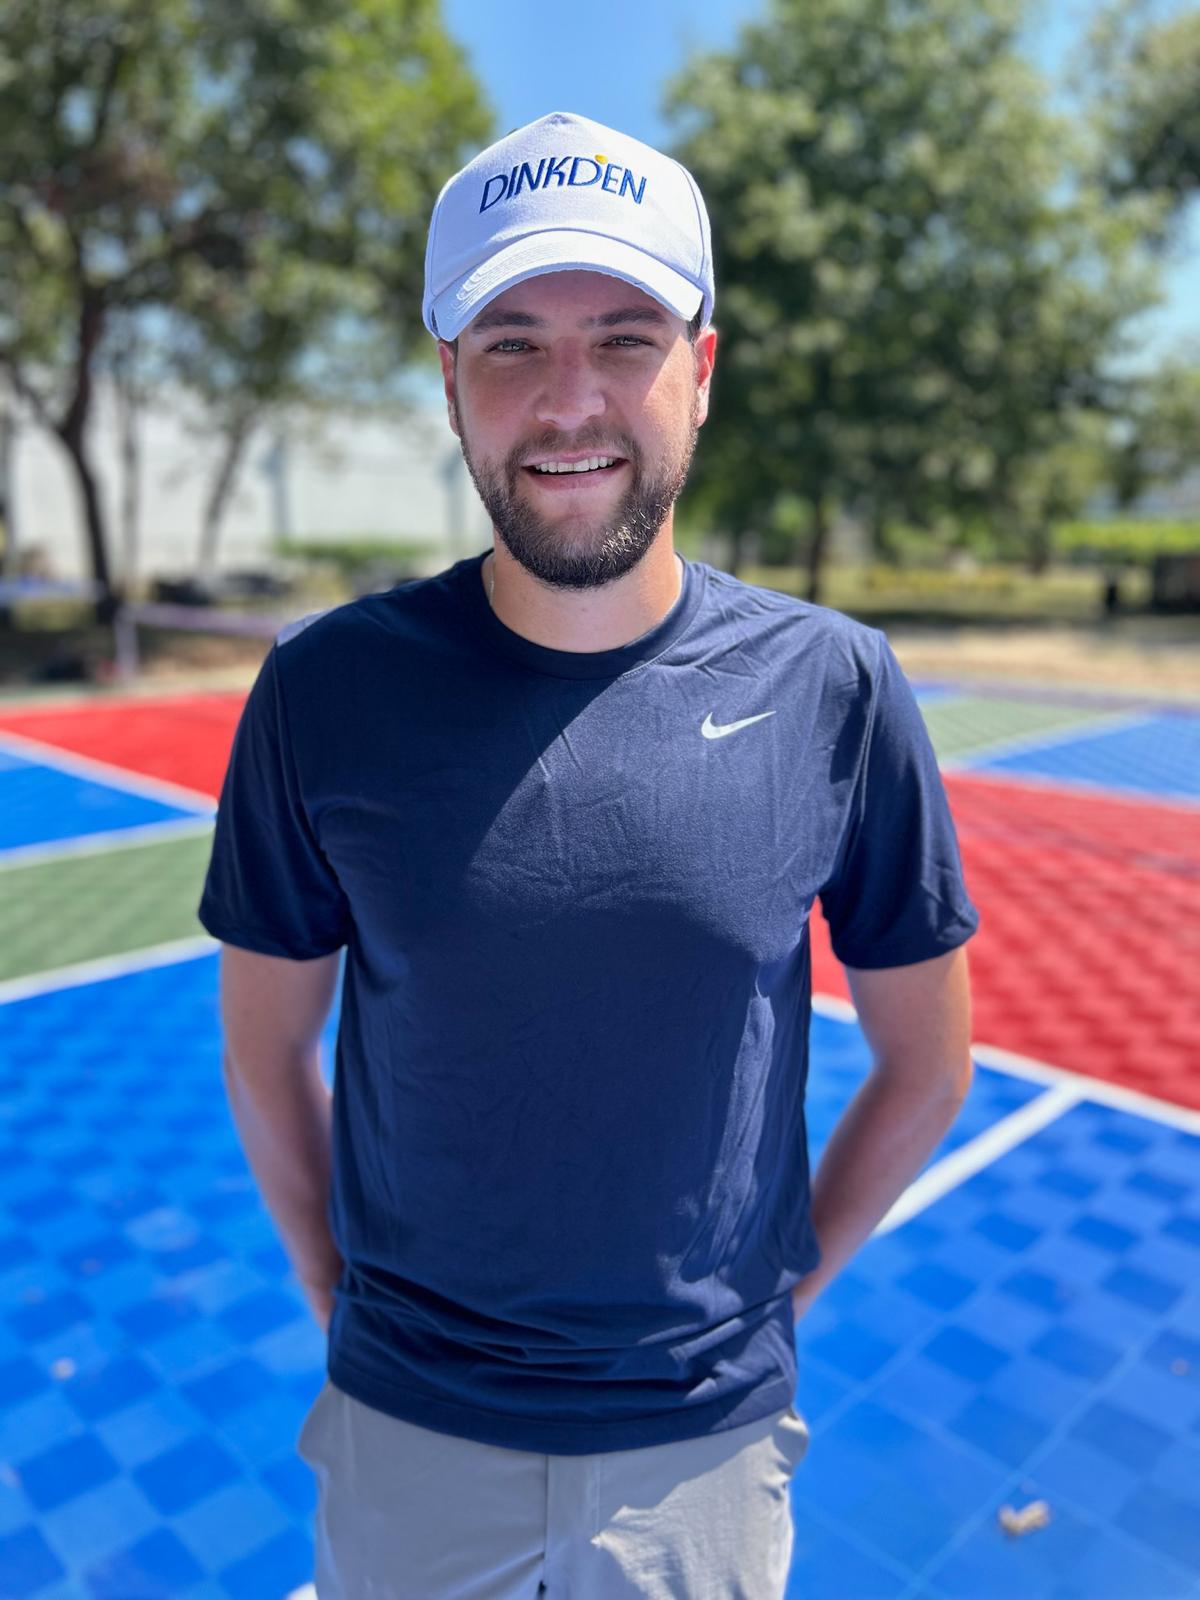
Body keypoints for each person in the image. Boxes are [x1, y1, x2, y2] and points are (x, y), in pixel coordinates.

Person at [199, 111, 978, 1600]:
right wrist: (338, 1301)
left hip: (704, 1455)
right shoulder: (323, 690)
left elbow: (928, 1063)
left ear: (704, 367)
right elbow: (265, 1047)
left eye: (625, 338)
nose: (570, 402)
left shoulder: (839, 685)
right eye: (512, 344)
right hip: (406, 1430)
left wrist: (765, 1316)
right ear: (449, 380)